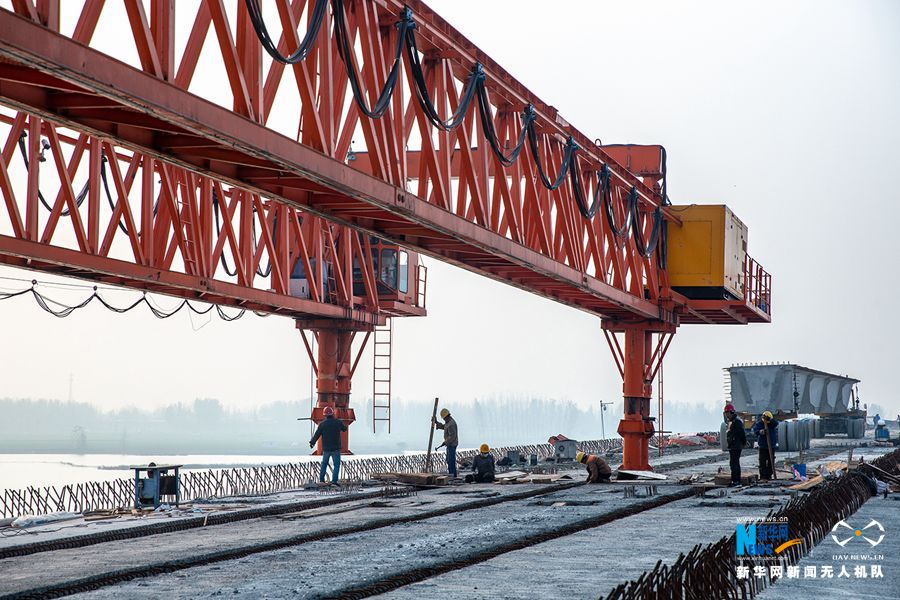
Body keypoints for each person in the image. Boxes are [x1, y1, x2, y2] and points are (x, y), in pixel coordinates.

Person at [309, 406, 347, 484]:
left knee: (324, 464)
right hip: (336, 448)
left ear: (324, 414)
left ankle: (322, 480)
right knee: (336, 465)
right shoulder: (337, 422)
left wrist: (312, 442)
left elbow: (317, 435)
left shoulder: (322, 424)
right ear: (332, 413)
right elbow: (344, 429)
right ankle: (334, 481)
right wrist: (341, 422)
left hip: (326, 449)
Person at [723, 403, 747, 486]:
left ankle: (736, 481)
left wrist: (743, 442)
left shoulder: (737, 422)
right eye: (725, 413)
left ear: (731, 412)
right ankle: (734, 480)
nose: (726, 415)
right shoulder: (731, 422)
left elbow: (742, 433)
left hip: (736, 446)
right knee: (733, 463)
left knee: (735, 463)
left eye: (727, 413)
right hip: (732, 445)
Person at [751, 411, 779, 480]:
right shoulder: (760, 423)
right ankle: (763, 476)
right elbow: (755, 430)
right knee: (762, 462)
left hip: (771, 446)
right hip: (763, 446)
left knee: (771, 461)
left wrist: (770, 419)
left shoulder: (772, 424)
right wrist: (761, 431)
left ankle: (769, 475)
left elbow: (776, 423)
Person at [433, 407, 458, 477]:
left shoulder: (451, 424)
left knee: (451, 461)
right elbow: (444, 427)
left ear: (446, 416)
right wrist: (436, 423)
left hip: (452, 444)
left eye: (443, 418)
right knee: (449, 460)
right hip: (449, 444)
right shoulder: (448, 422)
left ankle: (452, 475)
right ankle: (452, 474)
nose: (443, 419)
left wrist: (445, 442)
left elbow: (452, 436)